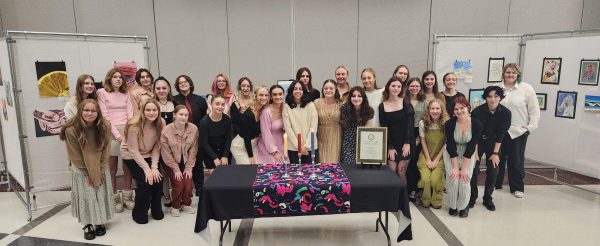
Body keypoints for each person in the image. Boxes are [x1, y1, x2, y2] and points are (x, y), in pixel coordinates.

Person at [60, 99, 113, 240]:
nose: (89, 113)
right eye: (86, 110)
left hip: (100, 164)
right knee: (87, 195)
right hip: (81, 167)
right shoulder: (71, 129)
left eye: (93, 111)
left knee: (100, 192)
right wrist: (87, 173)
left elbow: (107, 149)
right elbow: (75, 155)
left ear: (98, 112)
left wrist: (100, 169)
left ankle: (100, 220)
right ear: (80, 112)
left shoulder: (105, 125)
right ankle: (88, 223)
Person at [495, 63, 540, 198]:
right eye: (508, 72)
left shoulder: (526, 89)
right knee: (497, 158)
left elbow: (534, 110)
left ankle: (517, 187)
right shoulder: (496, 88)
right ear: (503, 73)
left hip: (518, 131)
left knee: (516, 160)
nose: (511, 75)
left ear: (518, 75)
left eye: (514, 73)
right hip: (499, 131)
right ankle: (496, 184)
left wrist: (530, 127)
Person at [121, 99, 165, 224]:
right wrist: (147, 169)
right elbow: (133, 150)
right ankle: (139, 213)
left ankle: (156, 210)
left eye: (154, 110)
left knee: (158, 179)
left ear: (158, 111)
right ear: (142, 111)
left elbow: (157, 146)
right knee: (146, 181)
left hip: (149, 152)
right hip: (130, 154)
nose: (152, 113)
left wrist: (154, 167)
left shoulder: (161, 122)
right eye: (148, 110)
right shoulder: (133, 125)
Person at [96, 68, 134, 213]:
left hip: (126, 130)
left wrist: (129, 133)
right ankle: (114, 198)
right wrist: (117, 135)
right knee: (111, 168)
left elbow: (130, 115)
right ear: (109, 79)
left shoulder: (126, 93)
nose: (118, 79)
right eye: (115, 77)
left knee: (127, 166)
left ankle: (127, 195)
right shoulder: (101, 92)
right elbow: (105, 117)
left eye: (120, 77)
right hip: (110, 132)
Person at [469, 86, 511, 211]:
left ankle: (488, 198)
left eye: (496, 96)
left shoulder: (506, 113)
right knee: (473, 169)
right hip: (479, 141)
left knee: (493, 171)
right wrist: (475, 153)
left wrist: (495, 153)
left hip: (495, 143)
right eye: (489, 96)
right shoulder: (477, 112)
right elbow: (474, 133)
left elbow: (501, 133)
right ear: (485, 98)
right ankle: (472, 197)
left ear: (500, 97)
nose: (493, 99)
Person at [444, 96, 483, 218]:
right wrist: (455, 168)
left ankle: (464, 206)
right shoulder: (449, 123)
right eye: (456, 109)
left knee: (464, 180)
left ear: (468, 108)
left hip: (468, 154)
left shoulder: (477, 124)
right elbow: (450, 145)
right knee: (453, 179)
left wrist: (464, 168)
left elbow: (472, 146)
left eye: (462, 108)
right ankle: (453, 205)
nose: (459, 111)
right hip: (452, 154)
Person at [172, 75, 208, 195]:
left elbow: (204, 119)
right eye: (180, 82)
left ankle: (199, 188)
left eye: (185, 81)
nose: (183, 84)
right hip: (179, 136)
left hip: (197, 136)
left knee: (197, 163)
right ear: (177, 86)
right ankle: (185, 189)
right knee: (182, 161)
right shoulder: (173, 100)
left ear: (190, 84)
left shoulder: (200, 100)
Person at [160, 105, 198, 217]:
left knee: (188, 182)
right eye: (181, 114)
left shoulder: (193, 129)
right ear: (174, 115)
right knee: (179, 183)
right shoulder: (166, 131)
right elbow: (166, 154)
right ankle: (175, 206)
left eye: (186, 115)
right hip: (170, 162)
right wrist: (176, 169)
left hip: (186, 161)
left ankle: (186, 203)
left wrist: (189, 167)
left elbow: (193, 150)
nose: (184, 117)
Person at [417, 99, 449, 209]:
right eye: (432, 108)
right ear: (428, 110)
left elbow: (446, 144)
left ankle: (436, 200)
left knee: (436, 180)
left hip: (441, 156)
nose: (435, 111)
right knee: (426, 179)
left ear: (442, 110)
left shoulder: (446, 123)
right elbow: (423, 142)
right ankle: (425, 200)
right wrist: (428, 159)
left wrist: (436, 160)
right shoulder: (422, 123)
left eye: (437, 108)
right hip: (426, 154)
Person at [379, 77, 414, 178]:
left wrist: (407, 142)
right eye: (393, 86)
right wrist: (390, 146)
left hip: (405, 142)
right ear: (388, 87)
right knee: (392, 171)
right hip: (391, 142)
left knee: (401, 171)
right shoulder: (382, 106)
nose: (396, 88)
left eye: (399, 86)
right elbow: (384, 127)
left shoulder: (406, 102)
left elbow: (410, 124)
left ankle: (403, 194)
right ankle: (393, 194)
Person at [153, 76, 177, 207]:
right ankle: (166, 196)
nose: (161, 90)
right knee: (162, 171)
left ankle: (177, 194)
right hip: (157, 142)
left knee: (173, 169)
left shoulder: (175, 103)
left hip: (173, 143)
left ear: (169, 89)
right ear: (154, 90)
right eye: (158, 88)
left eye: (164, 88)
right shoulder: (152, 105)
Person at [230, 86, 269, 164]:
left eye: (266, 95)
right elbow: (246, 136)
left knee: (256, 168)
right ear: (255, 96)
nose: (264, 97)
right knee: (249, 169)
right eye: (261, 95)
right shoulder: (248, 114)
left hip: (253, 144)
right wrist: (250, 156)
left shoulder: (262, 110)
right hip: (240, 146)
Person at [283, 80, 319, 164]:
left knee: (310, 174)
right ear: (291, 91)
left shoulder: (310, 105)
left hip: (310, 147)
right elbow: (288, 129)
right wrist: (299, 147)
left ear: (304, 91)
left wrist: (306, 146)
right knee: (295, 174)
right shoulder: (287, 107)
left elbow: (313, 127)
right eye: (295, 89)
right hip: (293, 148)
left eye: (300, 89)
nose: (298, 91)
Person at [339, 86, 374, 165]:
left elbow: (368, 130)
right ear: (350, 98)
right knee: (348, 167)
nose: (356, 98)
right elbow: (343, 126)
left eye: (359, 96)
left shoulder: (369, 111)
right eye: (353, 96)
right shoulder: (344, 108)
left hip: (362, 143)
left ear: (363, 97)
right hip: (347, 143)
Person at [199, 95, 232, 175]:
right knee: (216, 177)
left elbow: (228, 139)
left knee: (226, 176)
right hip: (210, 152)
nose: (220, 107)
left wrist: (225, 156)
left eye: (222, 104)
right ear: (211, 104)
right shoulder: (204, 122)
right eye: (217, 104)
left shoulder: (227, 119)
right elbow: (204, 143)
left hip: (224, 151)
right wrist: (214, 158)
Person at [405, 77, 426, 202]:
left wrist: (418, 138)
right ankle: (406, 190)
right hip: (406, 133)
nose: (414, 88)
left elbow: (426, 120)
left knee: (415, 163)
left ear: (420, 88)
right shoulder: (404, 100)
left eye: (417, 86)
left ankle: (414, 190)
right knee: (406, 163)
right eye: (412, 86)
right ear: (408, 87)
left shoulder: (424, 102)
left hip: (419, 133)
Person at [314, 79, 342, 163]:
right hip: (321, 136)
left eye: (331, 88)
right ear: (322, 90)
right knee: (321, 163)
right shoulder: (316, 103)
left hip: (336, 136)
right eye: (326, 88)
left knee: (335, 163)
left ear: (336, 90)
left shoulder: (341, 104)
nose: (328, 90)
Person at [257, 85, 286, 164]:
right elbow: (265, 133)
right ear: (271, 97)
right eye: (275, 94)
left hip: (282, 143)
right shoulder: (266, 112)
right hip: (268, 145)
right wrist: (274, 152)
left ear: (283, 95)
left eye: (280, 94)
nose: (278, 96)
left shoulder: (285, 108)